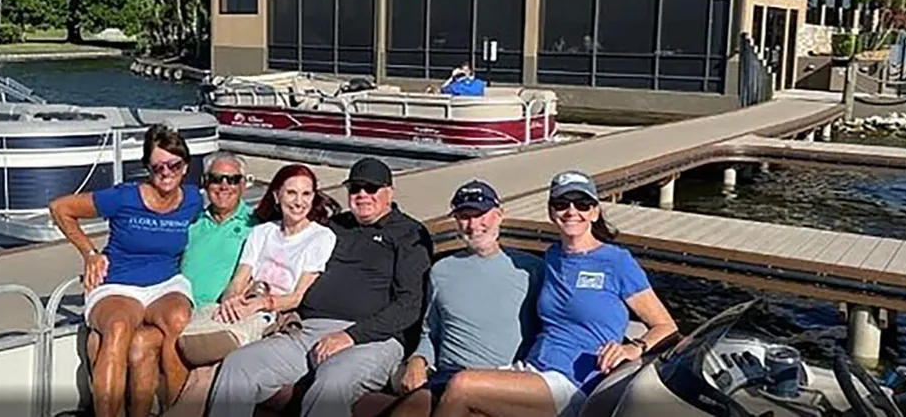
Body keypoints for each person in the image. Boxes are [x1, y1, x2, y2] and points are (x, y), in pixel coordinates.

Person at [432, 170, 678, 417]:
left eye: (582, 204)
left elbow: (665, 325)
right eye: (562, 204)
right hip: (534, 368)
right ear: (551, 212)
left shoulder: (616, 262)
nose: (572, 211)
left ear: (594, 212)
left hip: (574, 383)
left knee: (462, 386)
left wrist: (633, 348)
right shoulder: (553, 257)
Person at [205, 157, 433, 417]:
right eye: (355, 188)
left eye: (371, 188)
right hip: (308, 330)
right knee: (239, 364)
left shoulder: (408, 234)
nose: (362, 195)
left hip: (371, 339)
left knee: (330, 385)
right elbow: (287, 241)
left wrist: (351, 336)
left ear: (389, 192)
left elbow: (409, 306)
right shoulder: (335, 227)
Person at [163, 162, 341, 417]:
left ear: (314, 198)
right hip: (245, 306)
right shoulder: (262, 232)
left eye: (306, 194)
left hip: (274, 317)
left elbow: (297, 296)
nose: (298, 201)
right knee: (202, 369)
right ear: (277, 196)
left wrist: (260, 304)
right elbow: (240, 278)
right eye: (291, 193)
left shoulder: (320, 237)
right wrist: (232, 300)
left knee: (208, 373)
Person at [48, 123, 203, 417]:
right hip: (119, 283)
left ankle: (177, 411)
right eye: (158, 167)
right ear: (147, 167)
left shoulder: (193, 199)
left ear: (185, 166)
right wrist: (90, 253)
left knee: (179, 320)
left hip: (166, 283)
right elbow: (60, 208)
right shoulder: (124, 197)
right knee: (118, 327)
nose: (167, 173)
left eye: (174, 165)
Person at [363, 179, 544, 417]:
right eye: (464, 217)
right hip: (446, 376)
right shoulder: (442, 270)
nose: (473, 225)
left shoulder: (531, 270)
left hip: (501, 380)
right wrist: (418, 359)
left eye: (481, 215)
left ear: (499, 215)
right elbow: (431, 331)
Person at [125, 150, 257, 416]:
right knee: (134, 342)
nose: (223, 186)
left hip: (214, 316)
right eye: (216, 179)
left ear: (243, 183)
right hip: (177, 309)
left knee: (155, 343)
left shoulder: (257, 227)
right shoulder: (191, 221)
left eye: (232, 179)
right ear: (205, 183)